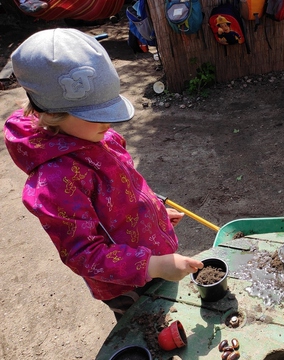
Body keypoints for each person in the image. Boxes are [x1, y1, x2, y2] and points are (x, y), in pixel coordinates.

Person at [3, 28, 203, 320]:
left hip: (150, 253)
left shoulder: (98, 135)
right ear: (52, 114)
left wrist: (150, 212)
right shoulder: (55, 182)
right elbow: (84, 254)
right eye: (97, 115)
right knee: (146, 325)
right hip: (124, 284)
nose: (108, 123)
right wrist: (154, 267)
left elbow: (124, 186)